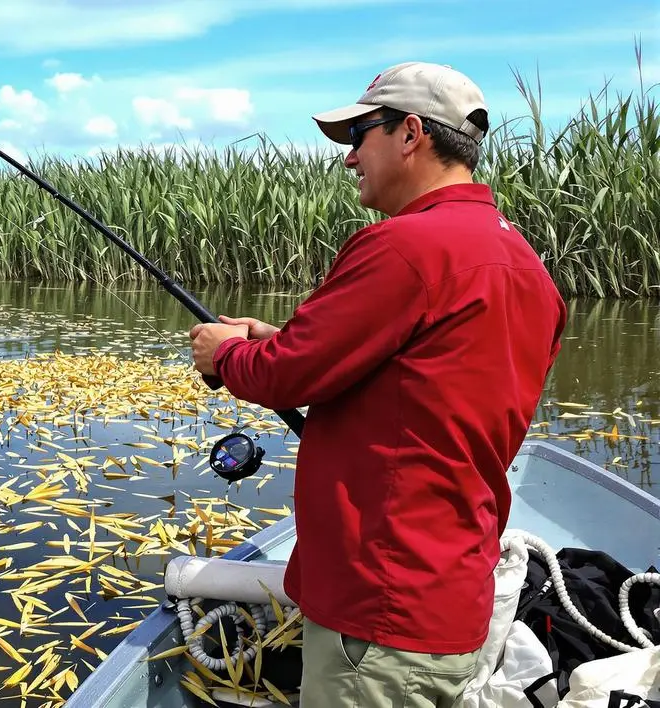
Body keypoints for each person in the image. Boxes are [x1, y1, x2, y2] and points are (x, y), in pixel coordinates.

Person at [189, 61, 568, 707]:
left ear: (411, 133)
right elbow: (420, 377)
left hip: (381, 603)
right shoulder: (521, 260)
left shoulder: (405, 247)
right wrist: (270, 336)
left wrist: (226, 355)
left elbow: (285, 376)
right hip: (451, 589)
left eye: (359, 136)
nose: (348, 158)